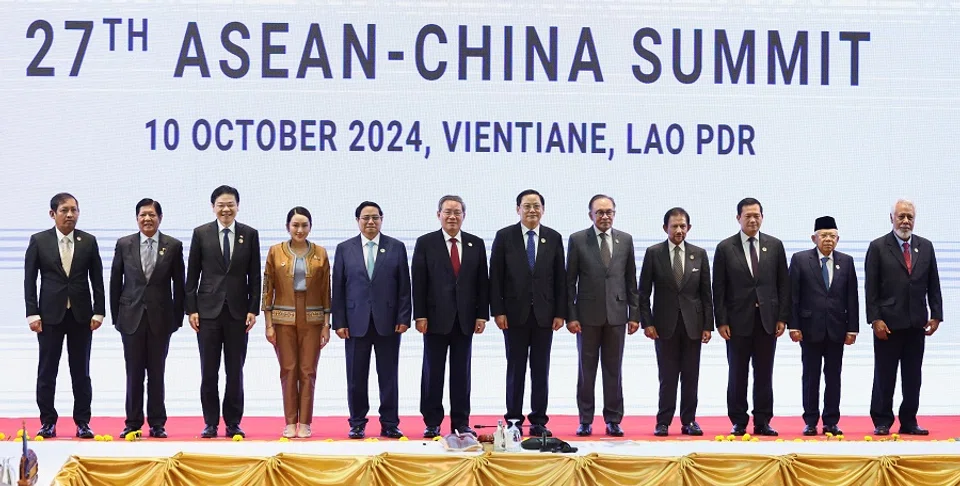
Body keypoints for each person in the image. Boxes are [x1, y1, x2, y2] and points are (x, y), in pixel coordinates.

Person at [25, 193, 105, 439]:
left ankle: (83, 422)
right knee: (47, 371)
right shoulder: (39, 241)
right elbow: (29, 280)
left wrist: (99, 311)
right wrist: (32, 313)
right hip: (49, 316)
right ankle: (47, 422)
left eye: (74, 210)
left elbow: (97, 280)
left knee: (81, 371)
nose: (70, 215)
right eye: (64, 210)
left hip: (81, 316)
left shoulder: (88, 241)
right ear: (53, 214)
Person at [185, 185, 261, 439]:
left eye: (230, 205)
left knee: (235, 371)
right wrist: (191, 309)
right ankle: (210, 422)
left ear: (238, 206)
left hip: (238, 313)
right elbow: (192, 274)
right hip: (207, 313)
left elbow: (255, 276)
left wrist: (253, 309)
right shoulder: (201, 233)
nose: (226, 209)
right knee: (209, 371)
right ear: (213, 207)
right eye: (221, 205)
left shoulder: (249, 234)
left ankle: (233, 423)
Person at [490, 189, 566, 438]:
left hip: (545, 315)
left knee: (541, 369)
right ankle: (513, 419)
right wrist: (498, 311)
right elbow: (496, 277)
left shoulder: (553, 237)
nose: (532, 210)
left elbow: (560, 278)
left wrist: (560, 312)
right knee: (516, 369)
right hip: (513, 315)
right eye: (527, 206)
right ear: (518, 209)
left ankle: (538, 420)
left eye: (536, 206)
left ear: (543, 210)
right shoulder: (504, 236)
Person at [332, 201, 411, 440]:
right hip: (355, 323)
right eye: (365, 218)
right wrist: (339, 322)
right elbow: (338, 287)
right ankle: (357, 423)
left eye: (375, 217)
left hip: (388, 322)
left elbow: (404, 287)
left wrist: (404, 317)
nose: (370, 222)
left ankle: (390, 423)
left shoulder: (396, 247)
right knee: (356, 377)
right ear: (357, 221)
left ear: (381, 219)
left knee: (389, 376)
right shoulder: (344, 249)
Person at [412, 195, 489, 438]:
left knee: (461, 374)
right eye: (447, 212)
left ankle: (461, 422)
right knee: (433, 373)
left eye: (457, 212)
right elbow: (419, 282)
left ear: (464, 216)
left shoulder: (475, 244)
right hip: (434, 319)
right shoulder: (426, 243)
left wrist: (481, 315)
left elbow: (482, 283)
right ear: (439, 215)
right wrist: (420, 315)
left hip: (465, 320)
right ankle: (432, 422)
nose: (452, 216)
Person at [713, 197, 789, 436]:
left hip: (767, 320)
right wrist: (721, 321)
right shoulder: (725, 248)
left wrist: (782, 317)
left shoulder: (775, 246)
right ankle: (738, 421)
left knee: (764, 373)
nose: (753, 220)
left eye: (757, 215)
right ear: (738, 218)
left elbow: (783, 285)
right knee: (737, 373)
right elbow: (719, 288)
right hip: (737, 322)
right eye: (748, 216)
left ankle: (763, 420)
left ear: (762, 217)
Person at [866, 199, 942, 436]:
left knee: (913, 377)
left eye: (910, 217)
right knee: (884, 375)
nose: (905, 221)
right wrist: (875, 319)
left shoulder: (925, 246)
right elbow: (871, 288)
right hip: (887, 324)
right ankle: (882, 420)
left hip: (916, 323)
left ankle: (909, 420)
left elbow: (933, 283)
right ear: (892, 218)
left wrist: (936, 315)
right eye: (901, 216)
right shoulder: (878, 247)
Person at [110, 198, 185, 439]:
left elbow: (179, 285)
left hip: (160, 319)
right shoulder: (124, 244)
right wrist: (116, 317)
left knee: (156, 372)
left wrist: (177, 319)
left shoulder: (173, 246)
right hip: (130, 318)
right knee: (133, 373)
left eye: (152, 215)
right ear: (137, 218)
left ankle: (157, 423)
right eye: (143, 215)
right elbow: (115, 281)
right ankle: (132, 423)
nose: (147, 219)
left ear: (160, 218)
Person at [565, 195, 639, 437]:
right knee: (586, 371)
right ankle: (585, 420)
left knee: (613, 370)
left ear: (614, 214)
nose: (605, 216)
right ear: (591, 215)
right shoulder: (578, 240)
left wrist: (634, 314)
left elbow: (631, 280)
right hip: (586, 317)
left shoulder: (625, 240)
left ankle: (613, 419)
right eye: (599, 212)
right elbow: (569, 282)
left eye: (609, 212)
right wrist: (571, 316)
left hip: (617, 315)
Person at [638, 207, 714, 437]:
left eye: (683, 226)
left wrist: (708, 326)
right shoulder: (653, 253)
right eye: (674, 226)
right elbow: (643, 293)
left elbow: (706, 293)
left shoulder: (699, 254)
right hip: (664, 326)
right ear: (665, 228)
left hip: (693, 325)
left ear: (688, 228)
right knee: (667, 377)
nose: (679, 230)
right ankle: (663, 421)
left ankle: (689, 421)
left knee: (691, 376)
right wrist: (647, 323)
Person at [262, 207, 331, 439]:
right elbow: (267, 288)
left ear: (310, 227)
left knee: (308, 370)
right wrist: (268, 323)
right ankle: (290, 421)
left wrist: (326, 324)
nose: (299, 230)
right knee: (288, 369)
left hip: (313, 317)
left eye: (304, 225)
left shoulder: (320, 253)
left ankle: (306, 422)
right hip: (283, 317)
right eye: (295, 225)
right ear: (287, 227)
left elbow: (326, 290)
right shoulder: (275, 251)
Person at [788, 216, 858, 436]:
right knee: (811, 376)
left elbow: (852, 297)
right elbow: (793, 296)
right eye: (824, 235)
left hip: (837, 329)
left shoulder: (846, 261)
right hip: (809, 329)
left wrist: (852, 328)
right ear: (814, 238)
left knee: (834, 376)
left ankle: (831, 421)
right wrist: (793, 325)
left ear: (838, 239)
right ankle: (810, 421)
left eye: (832, 236)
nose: (828, 239)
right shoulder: (800, 260)